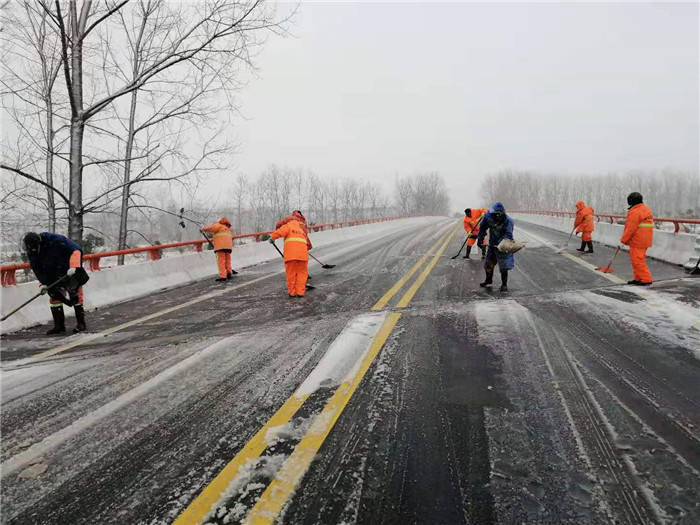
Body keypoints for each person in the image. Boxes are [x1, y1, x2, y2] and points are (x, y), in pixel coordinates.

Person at [23, 232, 89, 335]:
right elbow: (37, 268)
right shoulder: (31, 250)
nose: (34, 251)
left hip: (69, 270)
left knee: (75, 294)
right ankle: (59, 326)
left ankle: (81, 324)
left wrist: (74, 266)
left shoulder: (56, 240)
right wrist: (43, 283)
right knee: (54, 297)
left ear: (39, 243)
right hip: (51, 273)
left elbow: (76, 250)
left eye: (35, 248)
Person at [269, 214, 312, 297]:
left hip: (291, 256)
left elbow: (279, 232)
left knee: (291, 274)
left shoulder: (288, 226)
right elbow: (306, 242)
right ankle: (300, 292)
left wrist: (272, 238)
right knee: (302, 274)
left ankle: (292, 293)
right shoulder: (301, 230)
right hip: (303, 256)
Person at [477, 202, 515, 292]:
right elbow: (482, 227)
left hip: (503, 244)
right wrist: (480, 238)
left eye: (497, 215)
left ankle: (504, 284)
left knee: (504, 265)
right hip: (492, 243)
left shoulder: (508, 221)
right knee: (488, 263)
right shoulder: (488, 217)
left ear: (500, 214)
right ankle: (488, 280)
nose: (495, 217)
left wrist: (501, 244)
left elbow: (508, 234)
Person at [621, 192, 653, 286]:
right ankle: (638, 278)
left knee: (638, 260)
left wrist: (623, 240)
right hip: (644, 239)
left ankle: (646, 279)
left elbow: (631, 228)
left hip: (638, 240)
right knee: (637, 260)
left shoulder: (635, 211)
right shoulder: (645, 209)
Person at [201, 217, 234, 282]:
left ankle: (223, 276)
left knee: (221, 261)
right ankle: (229, 273)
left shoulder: (218, 225)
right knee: (227, 260)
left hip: (220, 247)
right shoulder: (228, 229)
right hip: (228, 247)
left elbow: (211, 228)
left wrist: (203, 228)